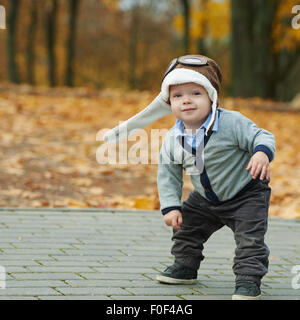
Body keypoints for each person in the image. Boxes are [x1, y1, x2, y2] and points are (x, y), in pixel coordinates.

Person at [104, 55, 276, 300]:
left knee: (250, 240)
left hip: (246, 193)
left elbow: (263, 136)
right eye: (178, 96)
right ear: (169, 102)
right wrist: (170, 207)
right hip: (205, 197)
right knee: (186, 227)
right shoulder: (172, 139)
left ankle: (248, 280)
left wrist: (261, 153)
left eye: (196, 93)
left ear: (211, 97)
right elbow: (168, 174)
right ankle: (185, 266)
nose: (186, 100)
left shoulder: (232, 122)